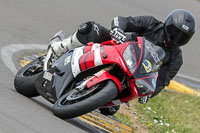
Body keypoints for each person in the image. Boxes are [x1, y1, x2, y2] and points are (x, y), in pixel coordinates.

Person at [49, 9, 196, 114]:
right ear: (167, 25)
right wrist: (118, 29)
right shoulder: (152, 23)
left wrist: (149, 95)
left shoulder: (176, 58)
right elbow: (123, 20)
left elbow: (162, 81)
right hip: (118, 48)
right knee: (90, 28)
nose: (176, 38)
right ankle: (60, 47)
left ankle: (89, 93)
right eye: (175, 32)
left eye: (182, 37)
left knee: (110, 109)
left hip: (132, 75)